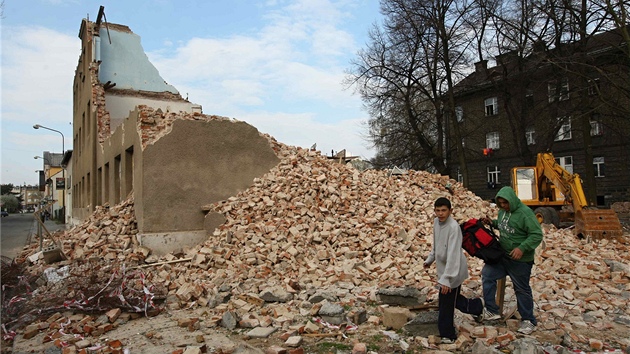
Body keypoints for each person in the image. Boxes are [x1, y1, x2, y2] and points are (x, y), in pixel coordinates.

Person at [480, 186, 543, 335]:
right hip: (503, 256)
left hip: (520, 260)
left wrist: (522, 248)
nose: (503, 206)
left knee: (521, 289)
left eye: (505, 203)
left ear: (512, 200)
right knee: (487, 275)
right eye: (500, 203)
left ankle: (528, 320)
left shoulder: (525, 214)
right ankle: (492, 310)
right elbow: (503, 225)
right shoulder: (503, 212)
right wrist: (491, 223)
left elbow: (536, 234)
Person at [424, 197, 484, 343]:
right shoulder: (436, 223)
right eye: (437, 210)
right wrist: (430, 259)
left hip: (453, 270)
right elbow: (436, 244)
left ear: (450, 211)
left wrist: (447, 280)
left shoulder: (453, 227)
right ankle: (477, 306)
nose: (440, 214)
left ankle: (448, 334)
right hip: (444, 269)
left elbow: (453, 254)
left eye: (444, 210)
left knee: (445, 303)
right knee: (454, 300)